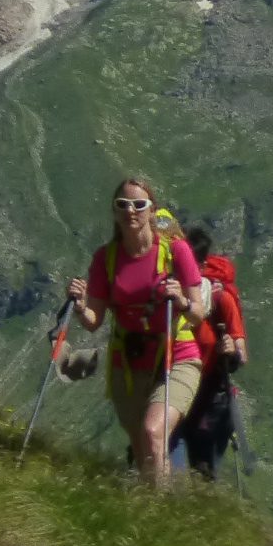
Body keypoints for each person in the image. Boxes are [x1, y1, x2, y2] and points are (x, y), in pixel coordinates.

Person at [67, 175, 210, 485]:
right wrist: (80, 306)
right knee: (144, 446)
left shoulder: (176, 252)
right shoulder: (105, 259)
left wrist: (182, 301)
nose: (130, 211)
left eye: (138, 204)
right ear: (114, 212)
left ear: (151, 210)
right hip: (128, 364)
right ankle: (155, 511)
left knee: (152, 431)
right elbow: (94, 320)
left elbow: (198, 313)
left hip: (177, 356)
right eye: (122, 205)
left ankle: (158, 513)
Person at [177, 225, 250, 481]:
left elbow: (241, 354)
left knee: (201, 469)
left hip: (210, 397)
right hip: (177, 387)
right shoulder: (170, 296)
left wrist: (231, 351)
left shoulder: (220, 299)